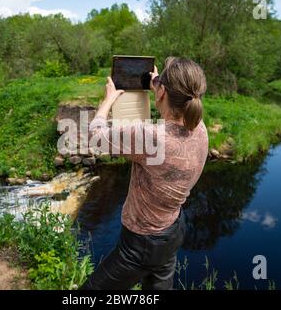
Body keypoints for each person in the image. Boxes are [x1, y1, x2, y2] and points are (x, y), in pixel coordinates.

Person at [80, 57, 209, 290]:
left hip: (140, 245)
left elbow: (95, 136)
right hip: (173, 230)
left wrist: (108, 100)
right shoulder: (199, 127)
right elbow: (173, 118)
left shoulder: (151, 138)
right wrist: (159, 86)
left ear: (162, 93)